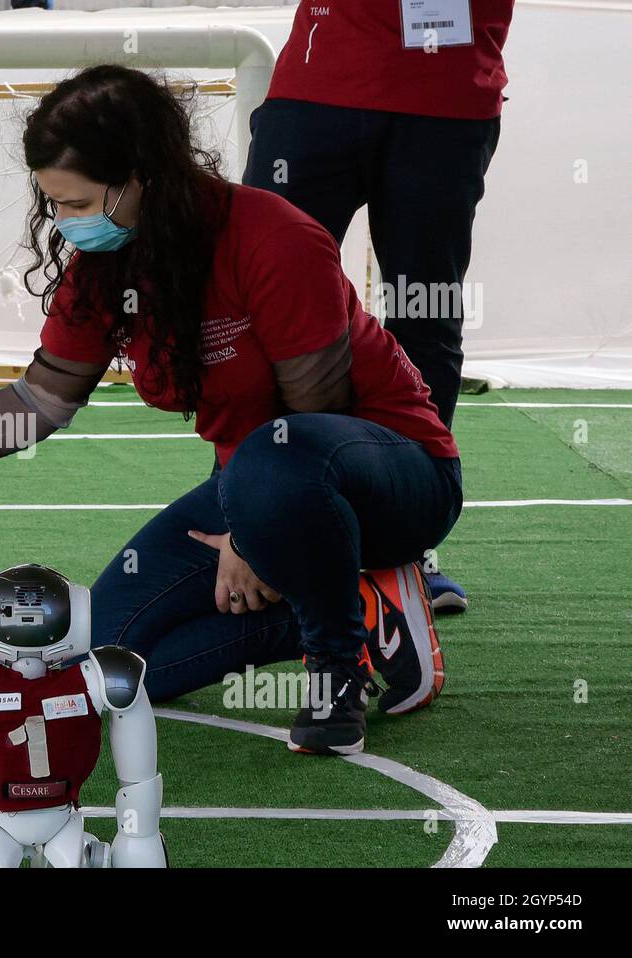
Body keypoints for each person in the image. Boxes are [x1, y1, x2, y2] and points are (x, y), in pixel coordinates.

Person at [0, 65, 462, 756]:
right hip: (251, 485)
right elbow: (39, 402)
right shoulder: (107, 268)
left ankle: (335, 673)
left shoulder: (275, 237)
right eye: (54, 204)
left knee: (273, 467)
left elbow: (312, 417)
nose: (64, 223)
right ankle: (364, 614)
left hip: (387, 473)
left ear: (142, 178)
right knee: (99, 661)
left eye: (78, 203)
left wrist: (251, 543)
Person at [242, 1, 514, 612]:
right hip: (320, 90)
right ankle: (250, 532)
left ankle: (401, 552)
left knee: (425, 316)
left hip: (446, 100)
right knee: (263, 308)